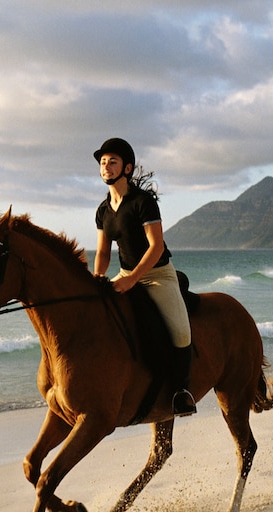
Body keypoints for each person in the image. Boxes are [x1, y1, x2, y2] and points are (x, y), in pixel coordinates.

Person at [92, 137, 196, 417]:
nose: (106, 167)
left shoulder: (142, 202)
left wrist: (132, 279)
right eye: (103, 162)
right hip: (127, 272)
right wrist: (97, 280)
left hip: (157, 274)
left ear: (127, 168)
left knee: (180, 331)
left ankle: (181, 391)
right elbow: (103, 253)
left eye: (112, 161)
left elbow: (156, 246)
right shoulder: (103, 211)